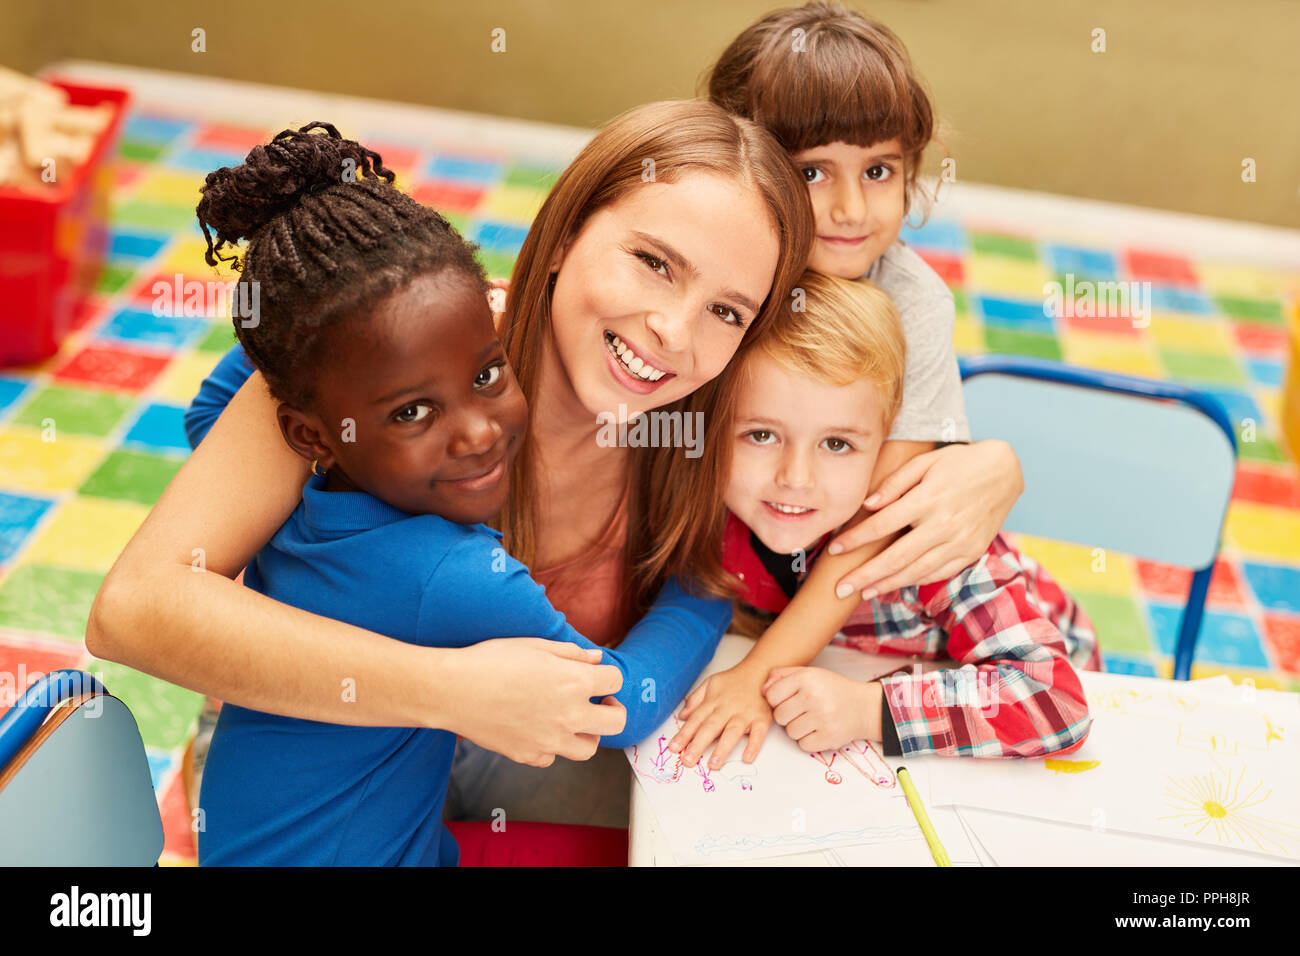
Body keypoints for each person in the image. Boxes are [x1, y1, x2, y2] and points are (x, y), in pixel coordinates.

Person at [189, 122, 731, 865]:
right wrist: (704, 588)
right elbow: (621, 704)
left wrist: (340, 335)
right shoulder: (456, 573)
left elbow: (206, 410)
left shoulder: (296, 516)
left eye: (485, 374)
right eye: (411, 411)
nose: (476, 434)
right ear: (311, 435)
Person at [669, 272, 1099, 766]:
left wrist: (868, 711)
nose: (795, 478)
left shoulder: (931, 545)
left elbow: (1055, 701)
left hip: (1057, 691)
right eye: (762, 435)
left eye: (837, 444)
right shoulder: (716, 514)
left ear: (889, 444)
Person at [704, 0, 1024, 604]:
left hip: (864, 610)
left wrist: (761, 671)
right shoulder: (715, 276)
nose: (851, 210)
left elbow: (866, 532)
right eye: (812, 173)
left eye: (877, 171)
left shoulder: (915, 304)